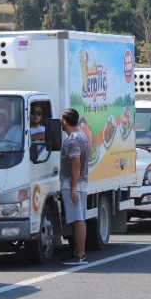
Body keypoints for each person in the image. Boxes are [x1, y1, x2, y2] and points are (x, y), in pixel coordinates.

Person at [60, 108, 90, 266]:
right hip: (80, 183)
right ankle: (77, 252)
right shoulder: (82, 136)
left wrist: (72, 188)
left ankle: (80, 255)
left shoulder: (72, 140)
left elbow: (76, 165)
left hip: (74, 184)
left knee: (78, 220)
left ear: (64, 121)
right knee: (76, 220)